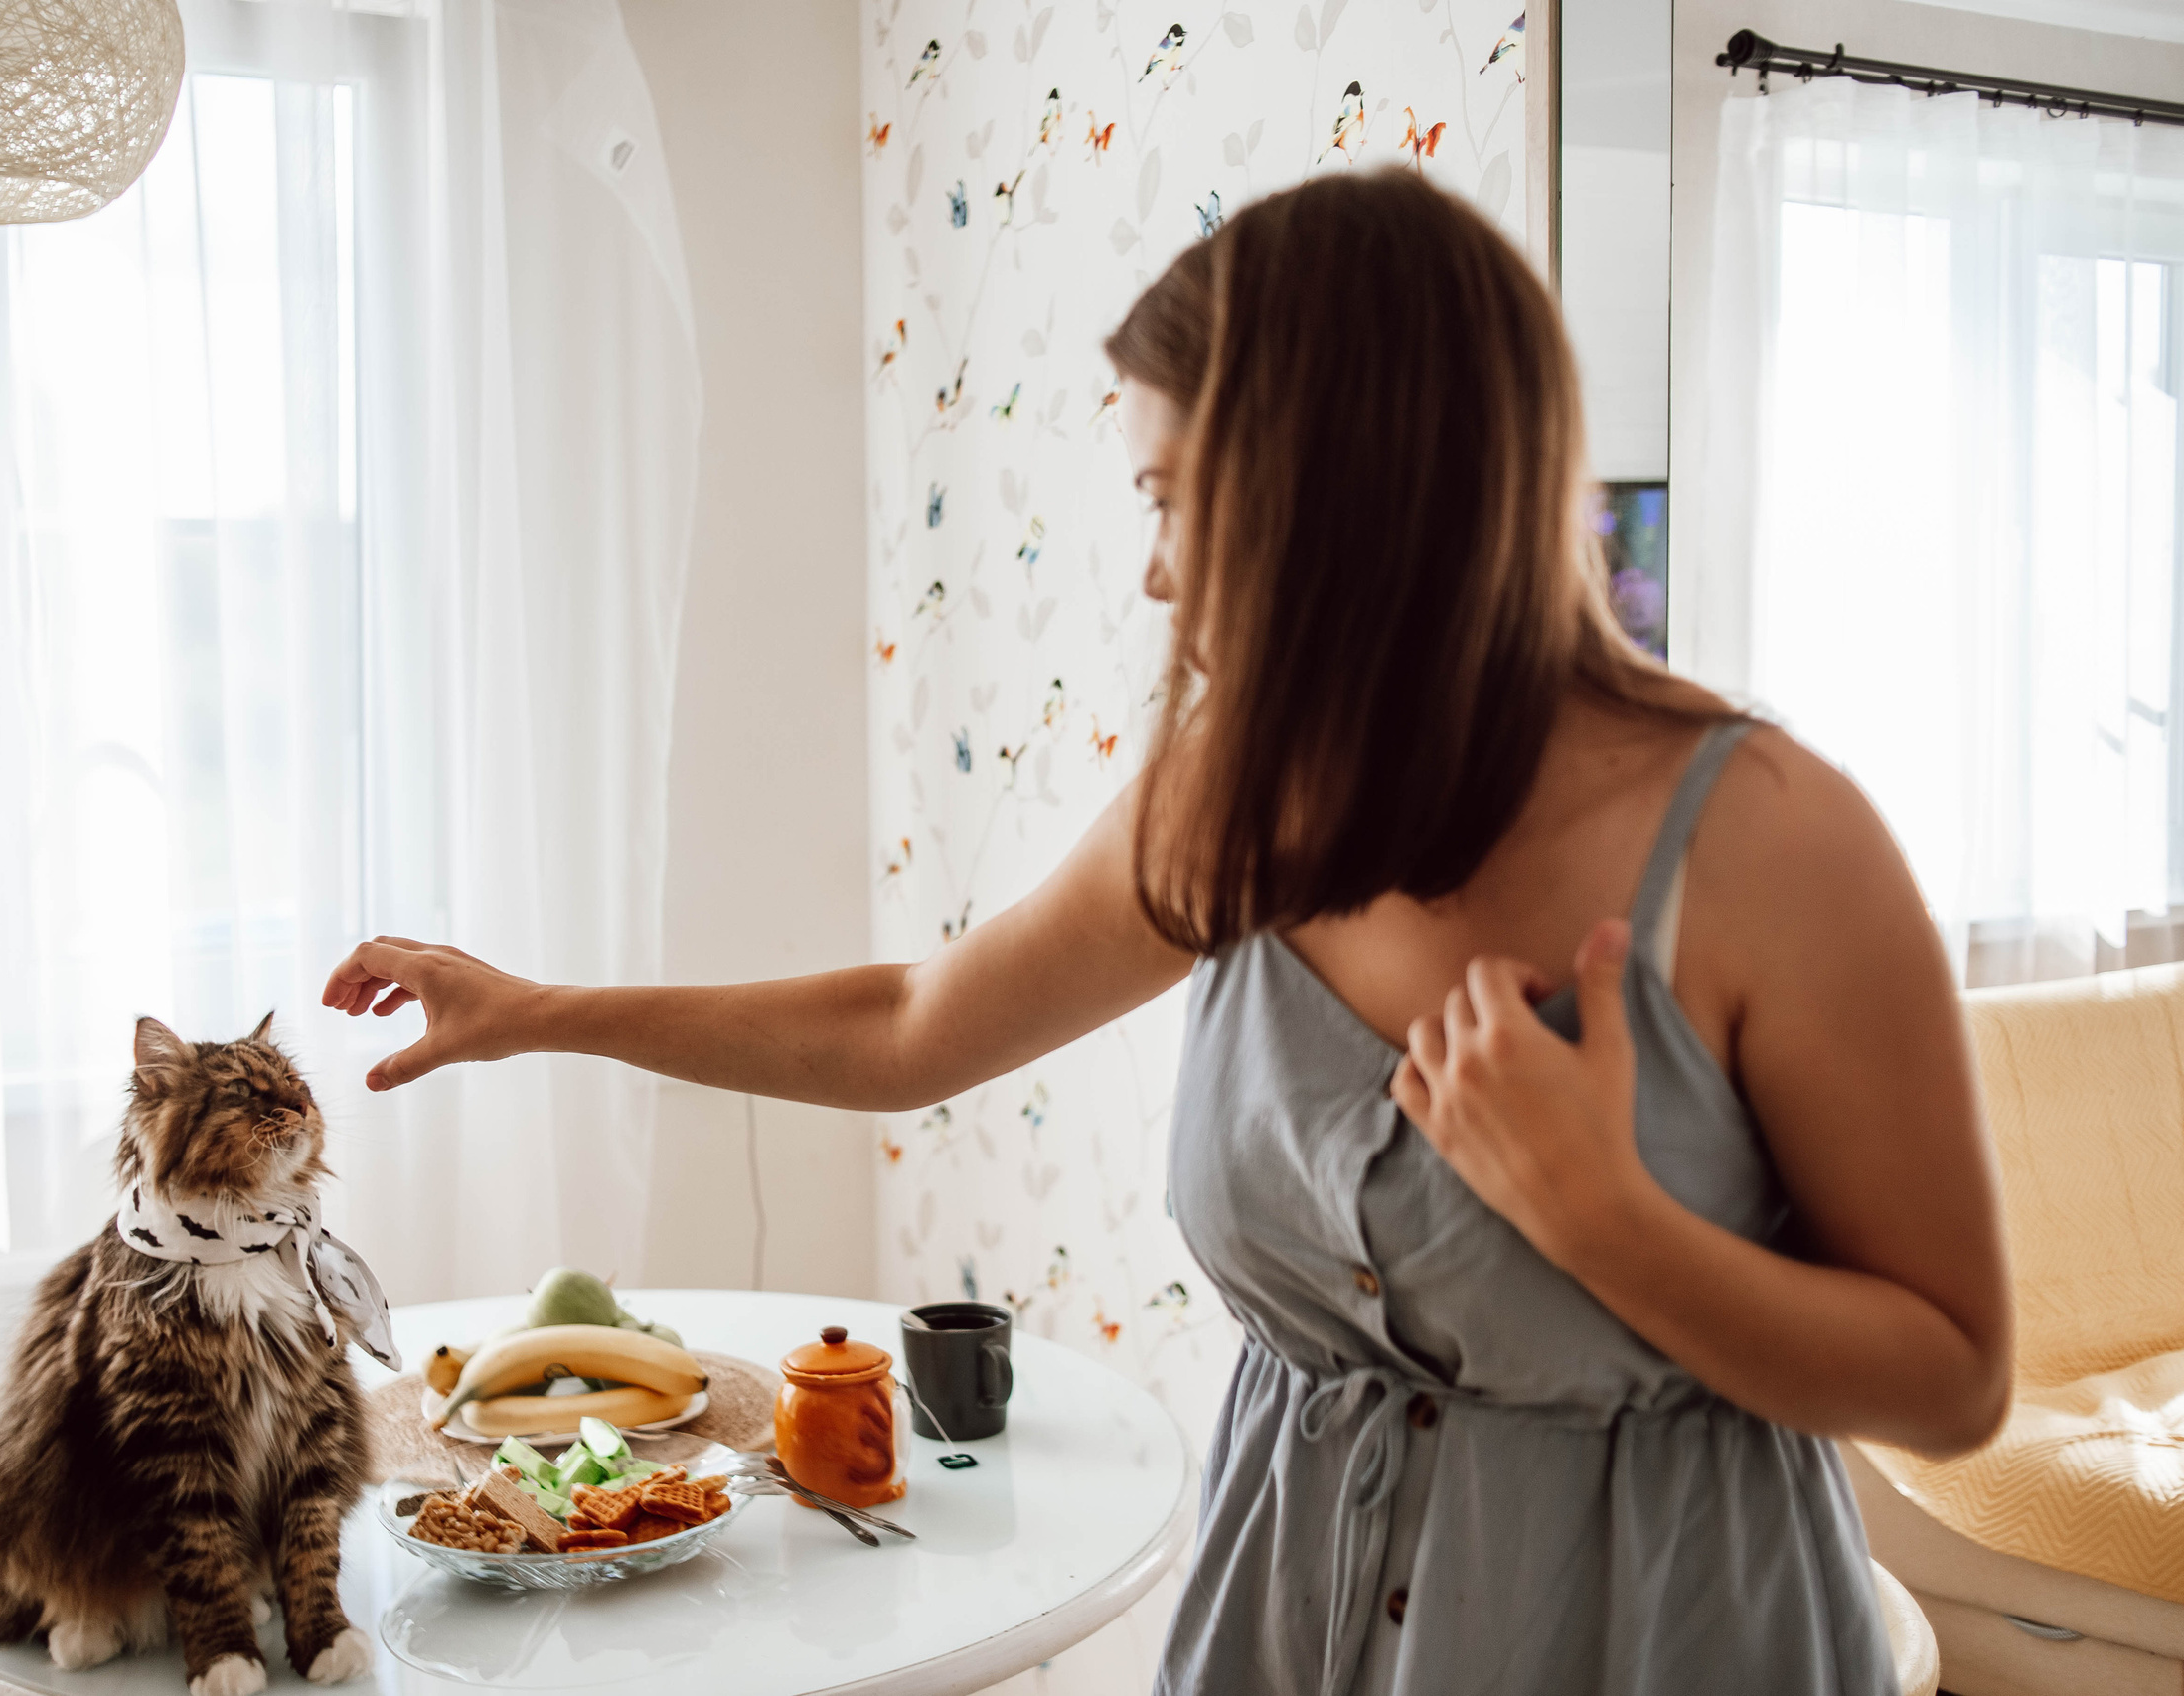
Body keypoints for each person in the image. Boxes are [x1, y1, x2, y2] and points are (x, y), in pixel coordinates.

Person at [323, 169, 2009, 1695]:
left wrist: (1610, 1221)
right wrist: (536, 1007)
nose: (1149, 575)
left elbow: (1955, 1380)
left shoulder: (1775, 845)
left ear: (1346, 495)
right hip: (1295, 1626)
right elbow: (914, 1026)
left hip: (1662, 1640)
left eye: (1172, 495)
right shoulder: (1239, 798)